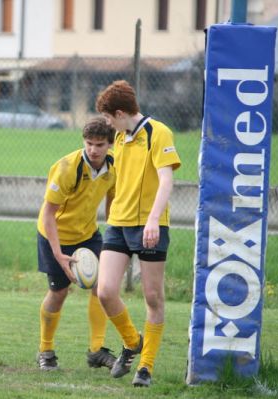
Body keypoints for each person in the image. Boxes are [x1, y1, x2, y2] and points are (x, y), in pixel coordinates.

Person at [94, 80, 181, 387]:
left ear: (120, 113)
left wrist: (154, 220)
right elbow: (116, 182)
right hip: (118, 224)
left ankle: (145, 367)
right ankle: (132, 342)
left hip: (149, 225)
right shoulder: (119, 138)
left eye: (108, 117)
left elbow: (166, 181)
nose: (106, 123)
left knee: (153, 297)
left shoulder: (158, 133)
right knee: (104, 291)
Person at [36, 117, 118, 371]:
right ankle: (45, 350)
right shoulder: (67, 168)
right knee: (59, 293)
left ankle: (96, 350)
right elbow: (49, 213)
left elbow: (112, 204)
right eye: (89, 143)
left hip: (88, 234)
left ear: (109, 145)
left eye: (100, 144)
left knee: (101, 288)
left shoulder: (115, 167)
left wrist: (117, 237)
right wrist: (59, 253)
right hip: (55, 234)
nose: (93, 149)